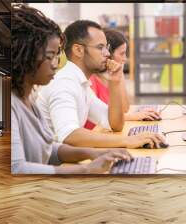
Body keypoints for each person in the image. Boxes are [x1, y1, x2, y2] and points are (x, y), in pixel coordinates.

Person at [11, 4, 131, 174]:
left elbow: (48, 149)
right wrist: (87, 168)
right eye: (50, 56)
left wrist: (94, 153)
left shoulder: (28, 99)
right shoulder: (62, 83)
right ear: (27, 57)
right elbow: (18, 168)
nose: (55, 64)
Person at [36, 20, 166, 149]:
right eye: (100, 47)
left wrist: (114, 82)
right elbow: (69, 135)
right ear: (78, 50)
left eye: (107, 48)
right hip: (52, 166)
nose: (107, 54)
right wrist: (126, 140)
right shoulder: (64, 83)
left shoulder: (81, 84)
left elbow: (115, 123)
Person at [84, 29, 161, 130]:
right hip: (96, 134)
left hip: (108, 131)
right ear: (108, 54)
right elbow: (102, 118)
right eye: (122, 54)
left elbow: (125, 109)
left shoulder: (114, 76)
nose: (125, 58)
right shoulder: (91, 80)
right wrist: (135, 116)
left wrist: (119, 78)